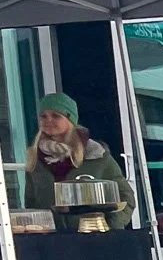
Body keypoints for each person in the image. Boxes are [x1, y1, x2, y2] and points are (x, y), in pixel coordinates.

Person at [22, 93, 134, 231]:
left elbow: (126, 199)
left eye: (56, 115)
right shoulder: (36, 157)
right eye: (43, 116)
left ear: (70, 120)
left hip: (94, 239)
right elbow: (31, 203)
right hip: (51, 242)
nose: (48, 120)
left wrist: (109, 226)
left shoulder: (96, 155)